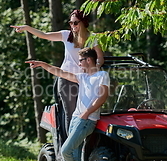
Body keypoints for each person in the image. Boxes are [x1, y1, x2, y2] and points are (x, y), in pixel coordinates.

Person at [26, 48, 109, 161]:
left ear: (88, 60)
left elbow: (102, 97)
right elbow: (60, 72)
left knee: (65, 150)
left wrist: (87, 112)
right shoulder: (82, 77)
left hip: (87, 120)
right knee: (74, 153)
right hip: (76, 118)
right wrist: (42, 64)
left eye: (80, 61)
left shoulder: (102, 75)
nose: (79, 64)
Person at [11, 10, 104, 139]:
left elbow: (100, 58)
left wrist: (95, 68)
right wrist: (27, 28)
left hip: (84, 81)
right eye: (70, 23)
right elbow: (44, 35)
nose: (72, 25)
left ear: (83, 22)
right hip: (67, 79)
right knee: (71, 114)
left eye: (75, 22)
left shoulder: (92, 38)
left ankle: (83, 147)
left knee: (86, 114)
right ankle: (69, 148)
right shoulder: (66, 35)